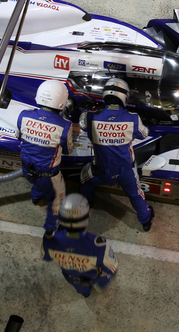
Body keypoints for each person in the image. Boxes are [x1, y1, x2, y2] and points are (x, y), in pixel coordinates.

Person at [79, 78, 154, 231]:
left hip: (100, 171)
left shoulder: (90, 117)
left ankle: (88, 202)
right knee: (136, 194)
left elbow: (82, 123)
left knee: (84, 178)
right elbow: (144, 134)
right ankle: (145, 221)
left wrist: (88, 108)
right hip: (126, 171)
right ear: (125, 97)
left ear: (105, 95)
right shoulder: (133, 118)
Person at [18, 80, 74, 231]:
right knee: (58, 200)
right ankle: (52, 228)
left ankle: (36, 198)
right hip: (49, 176)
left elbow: (19, 137)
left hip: (26, 170)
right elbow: (69, 150)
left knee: (37, 182)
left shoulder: (23, 115)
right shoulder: (65, 125)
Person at [41, 193, 118, 297]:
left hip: (71, 278)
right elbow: (111, 267)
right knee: (105, 278)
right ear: (87, 218)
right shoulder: (98, 245)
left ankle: (86, 293)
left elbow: (46, 257)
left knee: (82, 290)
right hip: (93, 277)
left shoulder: (49, 238)